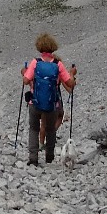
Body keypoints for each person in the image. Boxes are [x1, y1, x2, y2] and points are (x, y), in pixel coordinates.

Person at [22, 32, 76, 165]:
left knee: (34, 128)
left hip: (34, 102)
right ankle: (49, 157)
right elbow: (70, 84)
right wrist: (72, 74)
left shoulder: (35, 62)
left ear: (39, 47)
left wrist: (24, 72)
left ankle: (33, 158)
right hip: (52, 104)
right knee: (51, 129)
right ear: (53, 47)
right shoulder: (58, 64)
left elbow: (26, 80)